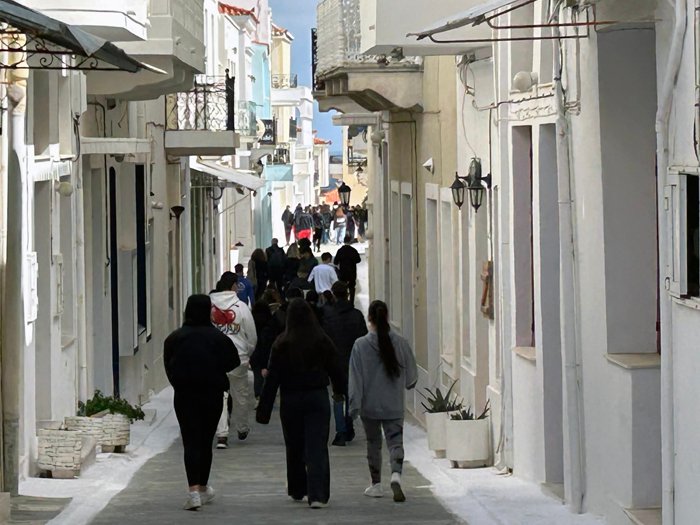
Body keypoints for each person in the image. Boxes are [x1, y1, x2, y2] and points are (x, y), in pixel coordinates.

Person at [256, 299, 345, 509]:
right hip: (317, 397)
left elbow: (272, 378)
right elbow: (336, 368)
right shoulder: (322, 339)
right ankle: (318, 494)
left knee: (294, 445)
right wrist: (340, 391)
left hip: (291, 399)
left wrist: (264, 410)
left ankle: (298, 488)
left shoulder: (281, 343)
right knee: (317, 445)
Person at [164, 294, 240, 511]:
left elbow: (168, 366)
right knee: (206, 441)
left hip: (185, 395)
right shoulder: (218, 338)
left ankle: (193, 491)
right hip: (212, 394)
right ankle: (204, 486)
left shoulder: (175, 338)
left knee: (190, 441)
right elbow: (233, 362)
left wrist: (179, 383)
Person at [348, 300, 417, 503]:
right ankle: (396, 475)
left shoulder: (360, 345)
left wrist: (354, 405)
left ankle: (376, 484)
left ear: (369, 318)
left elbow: (355, 378)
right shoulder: (401, 343)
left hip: (369, 406)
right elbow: (412, 378)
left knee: (373, 443)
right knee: (395, 442)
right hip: (393, 404)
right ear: (386, 317)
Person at [210, 273, 258, 448]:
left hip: (215, 359)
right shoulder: (241, 307)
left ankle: (222, 435)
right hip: (238, 357)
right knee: (240, 395)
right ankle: (242, 427)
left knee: (219, 396)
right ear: (233, 286)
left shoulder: (209, 306)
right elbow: (252, 335)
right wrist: (247, 352)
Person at [322, 281, 368, 446]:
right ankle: (349, 425)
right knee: (351, 394)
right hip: (353, 360)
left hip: (334, 361)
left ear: (334, 295)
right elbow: (363, 338)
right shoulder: (357, 315)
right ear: (347, 295)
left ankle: (340, 431)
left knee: (337, 395)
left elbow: (324, 339)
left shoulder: (328, 316)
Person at [334, 235, 362, 304]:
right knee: (352, 287)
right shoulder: (353, 250)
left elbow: (335, 262)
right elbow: (358, 260)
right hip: (352, 272)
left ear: (344, 241)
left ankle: (344, 302)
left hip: (343, 273)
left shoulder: (340, 250)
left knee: (343, 287)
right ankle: (351, 302)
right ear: (350, 241)